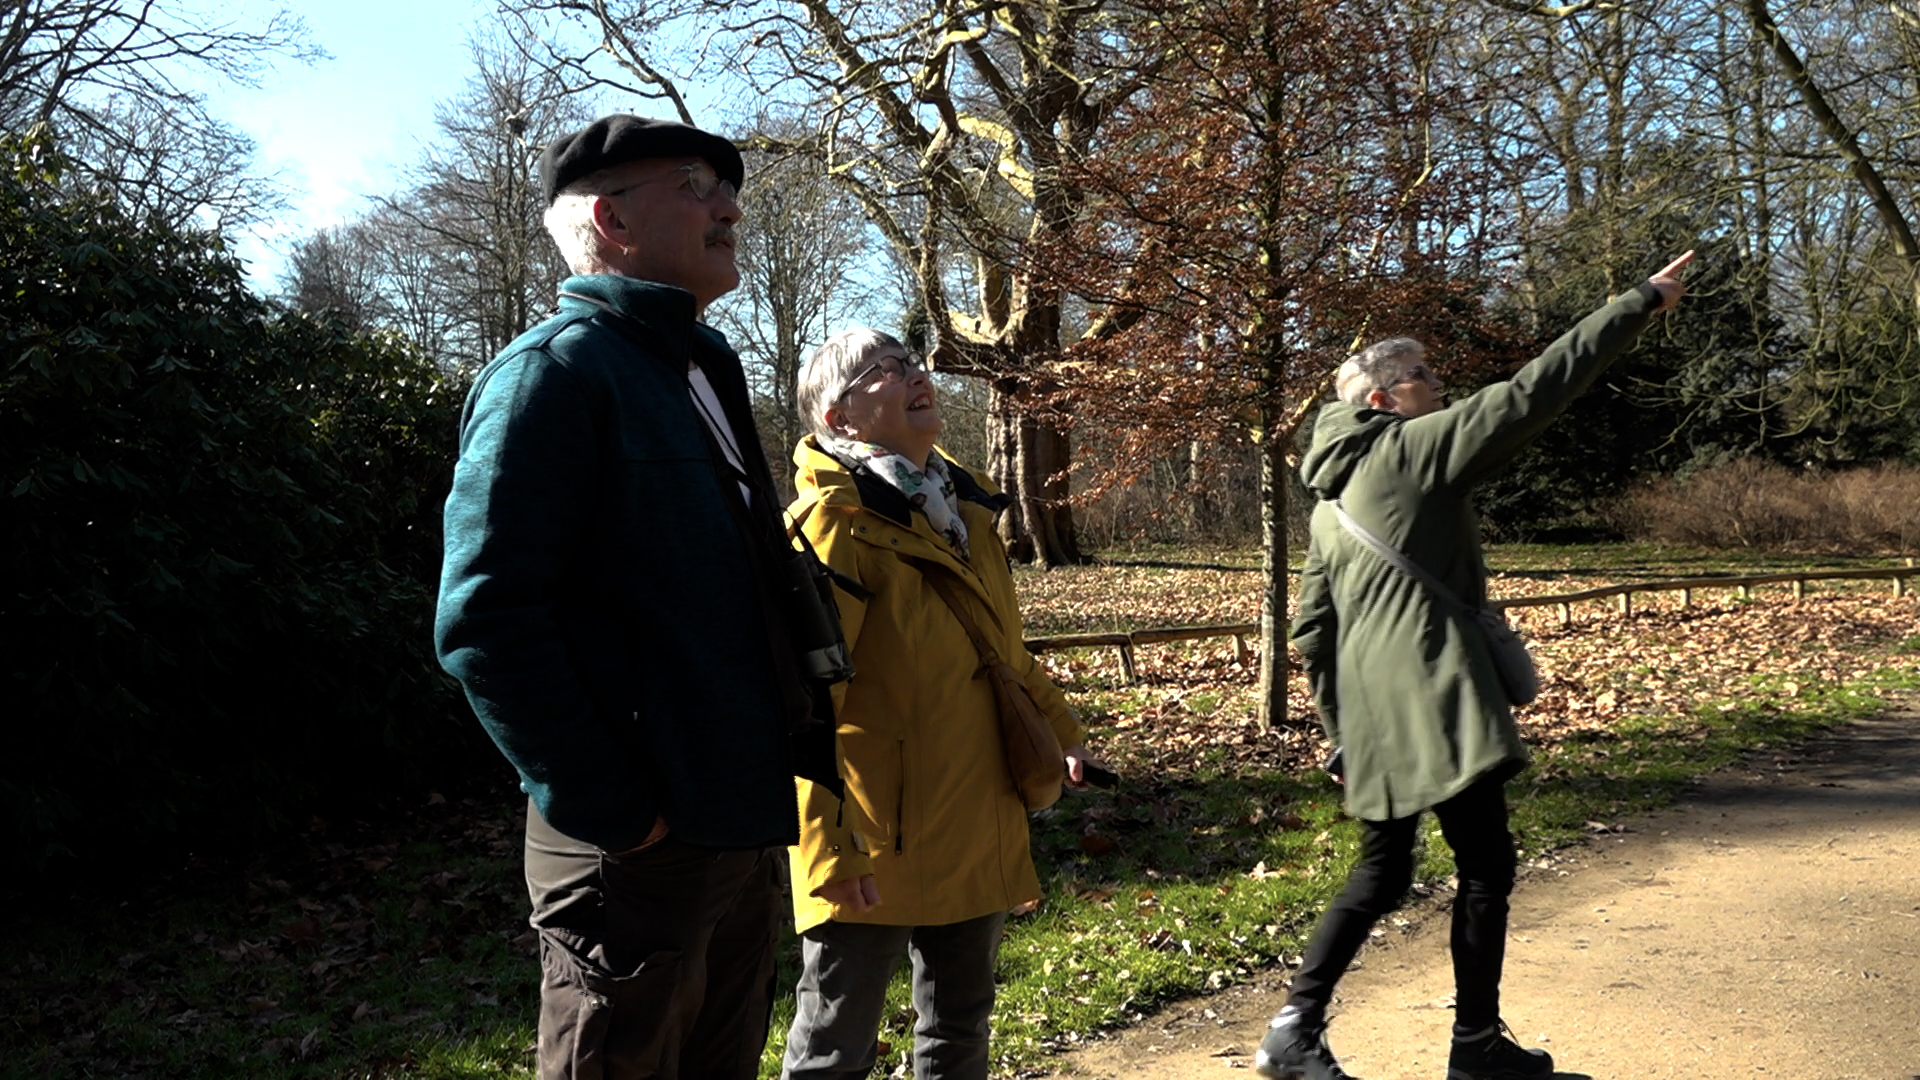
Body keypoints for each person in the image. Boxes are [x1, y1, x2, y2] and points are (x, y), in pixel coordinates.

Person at [435, 115, 816, 1080]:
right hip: (631, 844)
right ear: (610, 218)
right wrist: (614, 807)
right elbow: (486, 622)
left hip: (736, 821)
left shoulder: (706, 366)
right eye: (695, 184)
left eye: (726, 189)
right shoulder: (551, 375)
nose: (729, 207)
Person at [1256, 253, 1695, 1080]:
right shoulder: (1413, 450)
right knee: (1486, 864)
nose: (1438, 385)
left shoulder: (1326, 507)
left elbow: (1313, 630)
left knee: (1385, 870)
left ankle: (1293, 1027)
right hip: (1439, 693)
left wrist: (1340, 731)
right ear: (1383, 400)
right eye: (1422, 376)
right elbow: (1531, 393)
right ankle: (1474, 1048)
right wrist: (1638, 303)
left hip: (1373, 711)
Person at [778, 328, 1104, 1079]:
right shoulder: (833, 524)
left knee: (959, 1033)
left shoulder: (965, 512)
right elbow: (801, 701)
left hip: (975, 809)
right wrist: (827, 851)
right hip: (870, 835)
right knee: (832, 1050)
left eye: (907, 362)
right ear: (839, 418)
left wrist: (1063, 733)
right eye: (879, 372)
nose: (910, 375)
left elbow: (1006, 655)